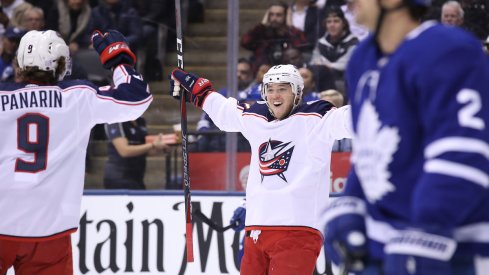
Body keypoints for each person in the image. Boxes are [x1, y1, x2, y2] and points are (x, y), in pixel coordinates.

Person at [323, 0, 489, 273]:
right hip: (381, 246)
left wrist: (427, 228)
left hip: (455, 249)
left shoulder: (450, 50)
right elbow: (370, 148)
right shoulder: (362, 58)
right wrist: (351, 202)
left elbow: (462, 152)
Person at [170, 64, 352, 274]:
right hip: (257, 229)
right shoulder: (256, 116)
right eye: (270, 89)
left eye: (283, 89)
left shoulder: (319, 117)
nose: (275, 95)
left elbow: (352, 119)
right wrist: (194, 90)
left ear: (297, 92)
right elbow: (224, 111)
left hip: (298, 230)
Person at [0, 29, 152, 275]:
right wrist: (118, 61)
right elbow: (136, 99)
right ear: (61, 63)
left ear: (19, 63)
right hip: (49, 229)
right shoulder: (78, 97)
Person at [241, 2, 309, 73]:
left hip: (287, 75)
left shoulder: (293, 33)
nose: (274, 18)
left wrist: (290, 27)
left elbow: (303, 47)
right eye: (271, 15)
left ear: (286, 16)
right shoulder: (262, 33)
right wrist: (261, 25)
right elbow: (245, 42)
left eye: (278, 15)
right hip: (263, 75)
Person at [103, 118, 168, 189]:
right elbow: (124, 151)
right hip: (119, 176)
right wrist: (153, 145)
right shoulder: (116, 121)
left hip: (137, 177)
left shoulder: (141, 121)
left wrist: (162, 147)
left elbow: (145, 149)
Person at [309, 6, 359, 91]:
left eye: (336, 21)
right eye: (329, 22)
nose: (332, 25)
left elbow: (346, 65)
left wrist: (325, 65)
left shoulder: (353, 42)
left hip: (344, 81)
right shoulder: (321, 42)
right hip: (322, 81)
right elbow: (314, 62)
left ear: (343, 23)